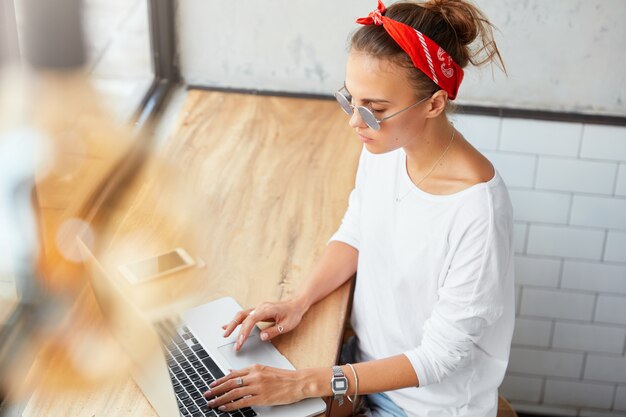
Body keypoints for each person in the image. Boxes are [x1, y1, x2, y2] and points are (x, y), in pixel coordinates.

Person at [203, 0, 515, 415]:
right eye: (351, 99)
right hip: (359, 363)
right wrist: (300, 301)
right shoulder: (386, 146)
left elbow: (439, 357)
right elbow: (357, 231)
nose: (355, 121)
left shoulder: (477, 210)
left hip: (426, 405)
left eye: (375, 109)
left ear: (435, 103)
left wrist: (304, 382)